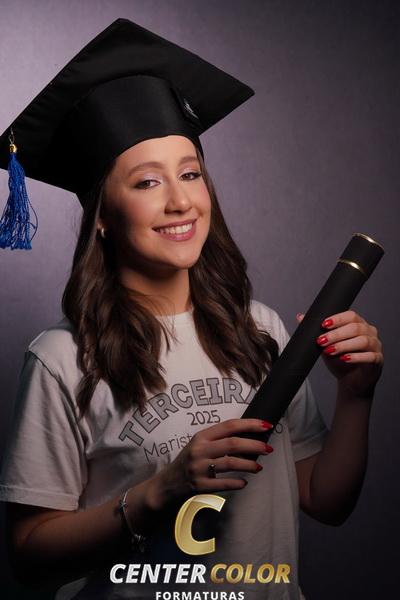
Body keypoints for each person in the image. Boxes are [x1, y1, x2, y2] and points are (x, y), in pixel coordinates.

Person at [0, 18, 383, 600]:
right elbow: (29, 558)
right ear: (102, 216)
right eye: (147, 182)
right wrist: (160, 490)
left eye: (190, 173)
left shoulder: (259, 328)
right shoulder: (61, 360)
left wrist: (356, 394)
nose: (180, 201)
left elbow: (323, 499)